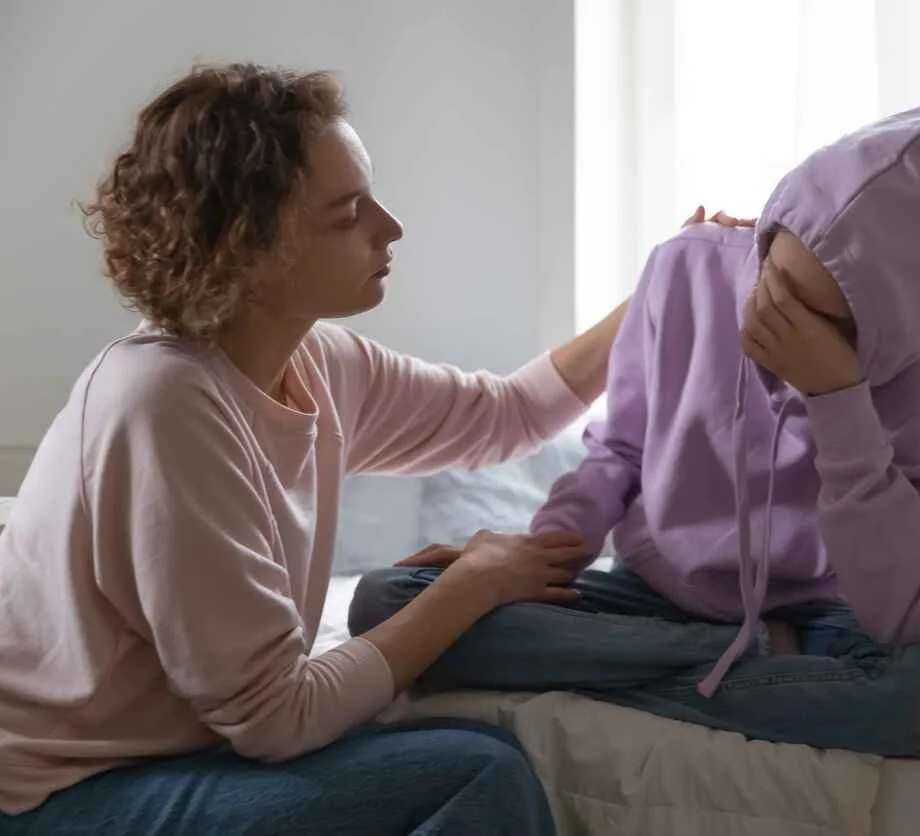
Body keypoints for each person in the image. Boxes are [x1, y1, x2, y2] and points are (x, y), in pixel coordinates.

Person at [0, 61, 744, 834]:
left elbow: (509, 414)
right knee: (474, 772)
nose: (390, 227)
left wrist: (659, 286)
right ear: (248, 251)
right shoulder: (163, 407)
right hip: (69, 793)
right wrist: (475, 584)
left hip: (187, 752)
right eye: (348, 212)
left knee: (459, 747)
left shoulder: (317, 361)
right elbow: (274, 719)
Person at [348, 95, 920, 758]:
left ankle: (613, 679)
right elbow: (618, 450)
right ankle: (736, 660)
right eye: (774, 280)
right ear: (766, 236)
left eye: (817, 316)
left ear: (884, 329)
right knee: (387, 602)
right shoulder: (687, 267)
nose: (776, 317)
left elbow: (910, 613)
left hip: (824, 615)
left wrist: (839, 400)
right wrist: (539, 556)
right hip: (654, 596)